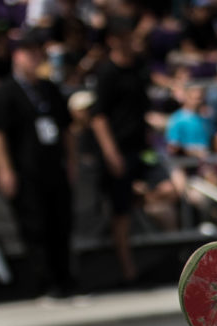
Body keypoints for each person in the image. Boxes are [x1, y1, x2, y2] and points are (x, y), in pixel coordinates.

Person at [0, 29, 77, 298]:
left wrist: (70, 161)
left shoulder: (48, 89)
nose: (34, 58)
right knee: (35, 227)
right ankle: (45, 283)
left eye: (39, 52)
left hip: (54, 169)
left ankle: (65, 279)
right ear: (17, 55)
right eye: (29, 52)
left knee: (61, 224)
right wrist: (5, 169)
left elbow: (67, 129)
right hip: (26, 172)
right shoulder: (6, 92)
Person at [90, 16, 150, 285]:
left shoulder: (139, 68)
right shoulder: (106, 72)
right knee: (121, 212)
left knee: (166, 188)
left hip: (142, 148)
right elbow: (98, 116)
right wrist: (110, 152)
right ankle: (128, 270)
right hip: (118, 149)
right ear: (113, 40)